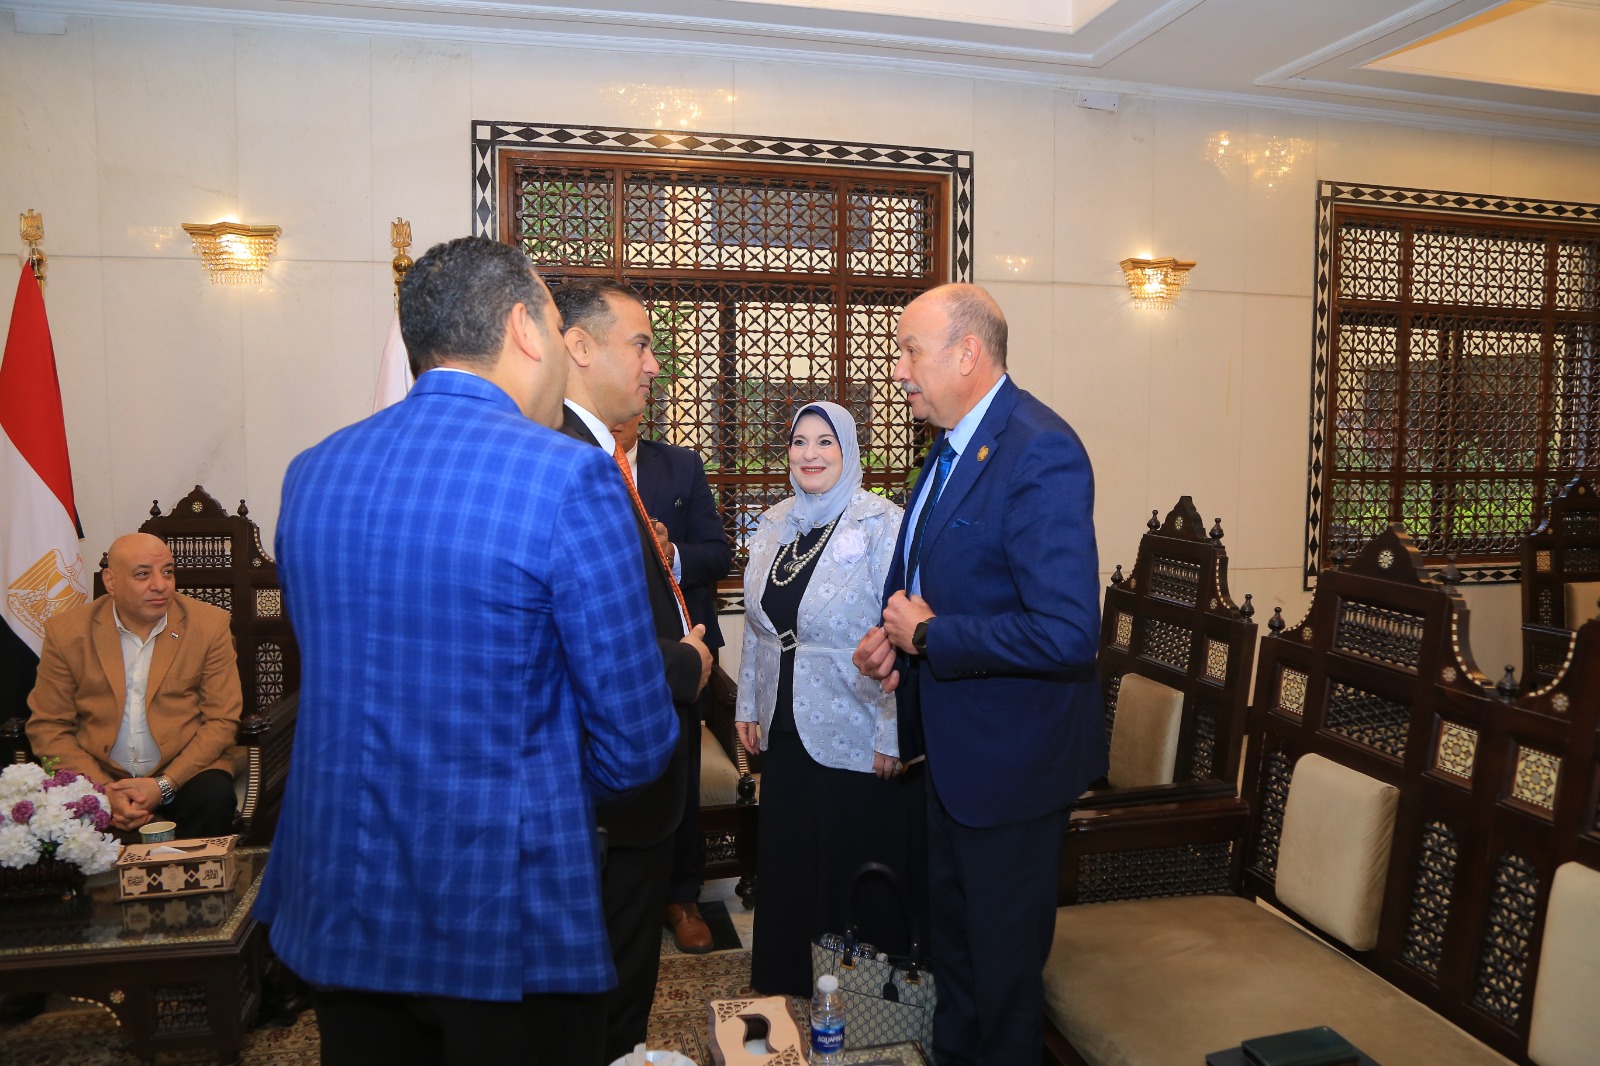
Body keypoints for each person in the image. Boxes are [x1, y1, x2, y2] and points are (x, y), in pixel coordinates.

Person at [256, 236, 680, 1066]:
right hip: (503, 908)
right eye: (555, 325)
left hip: (344, 887)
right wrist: (548, 795)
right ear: (524, 328)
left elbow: (340, 675)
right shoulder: (566, 476)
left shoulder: (313, 471)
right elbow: (633, 739)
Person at [853, 283, 1105, 1066]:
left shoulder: (1038, 450)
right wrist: (894, 640)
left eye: (909, 351)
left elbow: (1068, 633)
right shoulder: (950, 445)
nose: (898, 370)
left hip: (1010, 769)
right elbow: (938, 577)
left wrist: (932, 636)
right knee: (955, 960)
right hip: (952, 759)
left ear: (967, 353)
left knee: (1001, 984)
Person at [552, 280, 713, 1062]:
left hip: (628, 787)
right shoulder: (572, 462)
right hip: (608, 790)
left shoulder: (599, 453)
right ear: (579, 347)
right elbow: (578, 637)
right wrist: (683, 661)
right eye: (642, 345)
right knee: (606, 1001)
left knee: (618, 986)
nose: (654, 365)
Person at [736, 401, 920, 998]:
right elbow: (758, 628)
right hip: (785, 724)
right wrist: (747, 704)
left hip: (856, 725)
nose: (809, 454)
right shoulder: (773, 523)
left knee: (849, 860)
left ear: (849, 452)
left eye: (825, 442)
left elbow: (901, 639)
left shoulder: (882, 524)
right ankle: (789, 978)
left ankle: (857, 996)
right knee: (791, 859)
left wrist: (893, 733)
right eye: (799, 441)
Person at [26, 532, 244, 838]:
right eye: (143, 574)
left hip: (186, 770)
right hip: (101, 772)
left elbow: (222, 720)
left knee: (213, 797)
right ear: (111, 581)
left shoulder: (209, 626)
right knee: (74, 828)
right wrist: (104, 790)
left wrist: (164, 784)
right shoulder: (67, 633)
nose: (160, 584)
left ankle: (197, 872)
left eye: (167, 572)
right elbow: (49, 726)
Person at [613, 412, 734, 954]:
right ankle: (618, 892)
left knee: (680, 772)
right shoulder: (569, 456)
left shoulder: (681, 465)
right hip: (609, 650)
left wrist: (673, 553)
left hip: (683, 655)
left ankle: (682, 896)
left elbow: (718, 552)